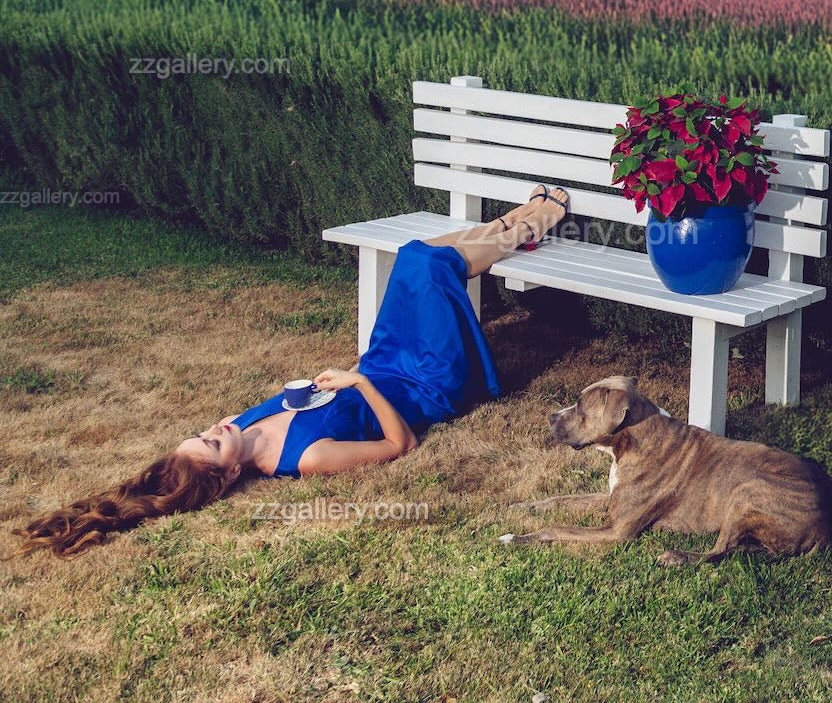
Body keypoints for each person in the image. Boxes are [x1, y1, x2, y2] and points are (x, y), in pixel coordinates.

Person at [14, 186, 570, 558]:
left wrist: (356, 375)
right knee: (425, 266)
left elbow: (258, 422)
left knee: (412, 257)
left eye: (203, 431)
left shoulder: (242, 425)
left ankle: (515, 223)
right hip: (425, 383)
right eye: (212, 443)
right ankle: (535, 218)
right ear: (230, 476)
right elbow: (401, 446)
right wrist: (359, 384)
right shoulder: (306, 460)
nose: (216, 428)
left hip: (384, 361)